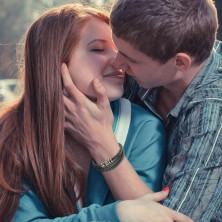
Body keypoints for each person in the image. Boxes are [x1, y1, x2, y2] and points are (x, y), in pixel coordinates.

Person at [0, 3, 190, 222]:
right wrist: (119, 214)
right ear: (52, 60)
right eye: (99, 49)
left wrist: (101, 142)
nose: (119, 61)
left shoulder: (143, 127)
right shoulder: (10, 133)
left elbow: (154, 217)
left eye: (119, 50)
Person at [61, 0, 222, 221]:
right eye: (118, 49)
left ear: (180, 63)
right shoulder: (148, 64)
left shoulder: (214, 115)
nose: (118, 63)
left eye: (130, 59)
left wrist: (100, 141)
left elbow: (173, 219)